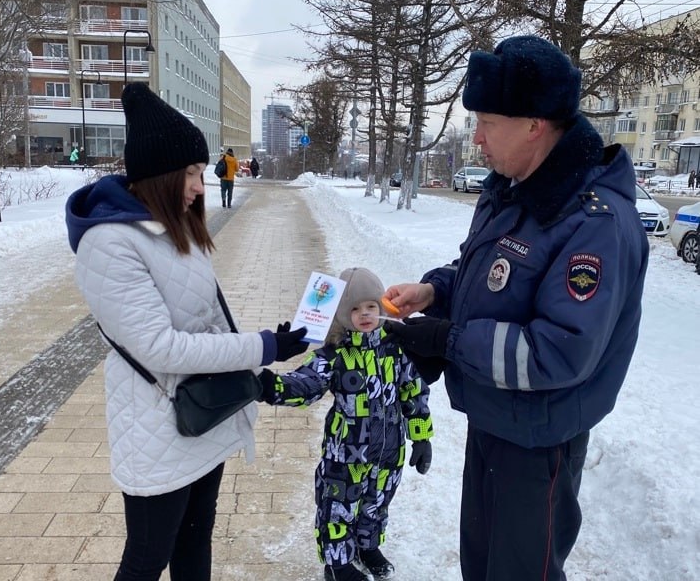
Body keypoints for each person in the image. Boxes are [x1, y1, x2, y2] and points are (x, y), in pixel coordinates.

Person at [382, 36, 649, 581]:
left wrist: (448, 342)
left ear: (534, 123)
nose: (476, 137)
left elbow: (558, 351)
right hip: (495, 419)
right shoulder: (510, 188)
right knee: (481, 566)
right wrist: (436, 293)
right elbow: (494, 281)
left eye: (487, 122)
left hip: (539, 441)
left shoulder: (592, 222)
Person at [64, 82, 309, 581]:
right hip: (158, 422)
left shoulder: (174, 224)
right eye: (194, 173)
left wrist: (256, 366)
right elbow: (159, 347)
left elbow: (208, 319)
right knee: (148, 556)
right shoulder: (110, 244)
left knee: (196, 540)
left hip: (203, 413)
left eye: (202, 172)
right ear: (162, 173)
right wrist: (262, 346)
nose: (202, 185)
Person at [259, 267, 434, 581]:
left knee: (376, 503)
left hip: (388, 449)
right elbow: (306, 382)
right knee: (338, 506)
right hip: (346, 455)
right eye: (354, 309)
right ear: (341, 314)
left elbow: (413, 390)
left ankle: (368, 547)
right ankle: (337, 563)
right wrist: (273, 387)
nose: (364, 314)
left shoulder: (396, 347)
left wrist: (421, 437)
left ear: (381, 307)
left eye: (370, 306)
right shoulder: (335, 355)